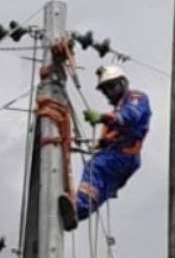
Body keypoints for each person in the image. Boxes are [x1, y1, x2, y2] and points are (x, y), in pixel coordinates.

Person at [58, 65, 152, 231]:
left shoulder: (135, 98)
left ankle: (78, 207)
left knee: (95, 167)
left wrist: (102, 117)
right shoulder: (119, 108)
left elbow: (131, 117)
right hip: (123, 157)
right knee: (101, 187)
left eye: (111, 87)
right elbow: (117, 131)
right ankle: (77, 213)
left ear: (122, 83)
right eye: (105, 90)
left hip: (123, 155)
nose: (108, 92)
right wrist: (101, 143)